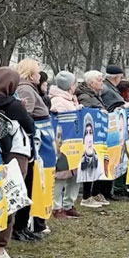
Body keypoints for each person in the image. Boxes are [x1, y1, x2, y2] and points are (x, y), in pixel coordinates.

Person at [0, 67, 34, 258]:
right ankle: (0, 249)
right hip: (15, 155)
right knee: (10, 199)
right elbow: (29, 126)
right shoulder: (13, 105)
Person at [14, 59, 50, 240]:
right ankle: (18, 227)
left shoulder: (30, 89)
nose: (39, 75)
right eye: (37, 72)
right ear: (30, 75)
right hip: (29, 144)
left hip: (34, 143)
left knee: (32, 183)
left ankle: (22, 226)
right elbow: (24, 117)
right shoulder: (25, 89)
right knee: (27, 183)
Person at [49, 71, 84, 216]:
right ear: (70, 85)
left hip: (76, 143)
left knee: (75, 175)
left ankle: (69, 204)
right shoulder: (58, 99)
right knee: (61, 176)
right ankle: (57, 206)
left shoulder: (71, 99)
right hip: (63, 144)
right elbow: (59, 118)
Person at [76, 71, 111, 206]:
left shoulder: (96, 95)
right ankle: (86, 196)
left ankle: (96, 193)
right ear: (91, 83)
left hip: (99, 134)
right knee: (90, 163)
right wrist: (98, 112)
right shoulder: (85, 96)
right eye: (99, 80)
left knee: (100, 162)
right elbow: (87, 112)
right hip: (90, 135)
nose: (102, 82)